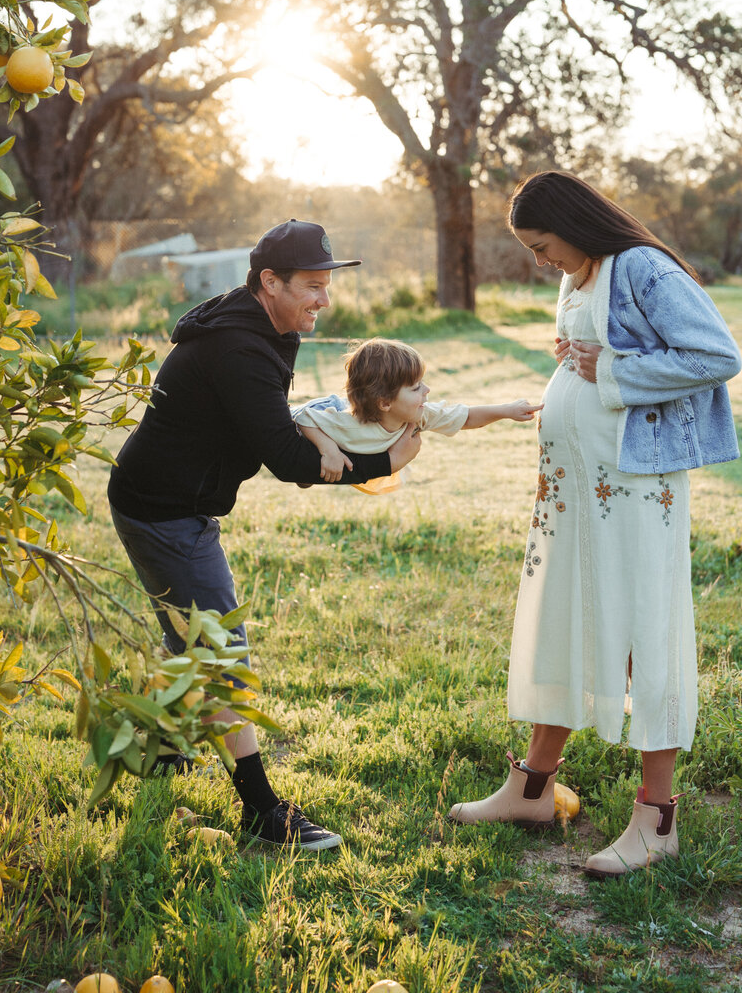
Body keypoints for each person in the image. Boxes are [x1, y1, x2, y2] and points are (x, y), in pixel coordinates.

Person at [448, 170, 741, 878]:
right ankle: (533, 789)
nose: (540, 261)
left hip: (635, 488)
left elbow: (716, 355)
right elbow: (592, 354)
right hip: (574, 490)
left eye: (544, 245)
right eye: (532, 250)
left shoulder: (640, 265)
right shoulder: (581, 273)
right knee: (566, 618)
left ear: (576, 225)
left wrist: (613, 367)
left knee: (641, 627)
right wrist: (578, 359)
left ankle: (656, 820)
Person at [108, 219, 422, 852]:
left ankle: (162, 751)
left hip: (165, 501)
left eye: (326, 286)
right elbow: (284, 455)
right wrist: (379, 466)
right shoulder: (240, 347)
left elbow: (276, 420)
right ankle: (260, 810)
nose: (323, 301)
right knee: (223, 651)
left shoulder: (263, 326)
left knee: (191, 635)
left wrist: (321, 436)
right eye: (311, 286)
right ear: (268, 281)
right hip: (165, 511)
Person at [292, 337, 542, 494]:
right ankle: (303, 474)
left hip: (345, 427)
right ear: (385, 403)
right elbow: (301, 418)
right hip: (321, 412)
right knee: (305, 449)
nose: (428, 390)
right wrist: (328, 450)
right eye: (415, 388)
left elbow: (464, 417)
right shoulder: (348, 425)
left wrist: (507, 410)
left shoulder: (417, 416)